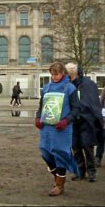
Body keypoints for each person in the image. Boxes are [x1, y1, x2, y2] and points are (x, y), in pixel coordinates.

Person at [35, 62, 79, 196]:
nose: (54, 77)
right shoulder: (46, 87)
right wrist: (38, 117)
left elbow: (77, 108)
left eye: (57, 74)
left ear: (63, 73)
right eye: (52, 74)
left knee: (60, 153)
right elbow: (41, 105)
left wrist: (67, 120)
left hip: (62, 129)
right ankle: (57, 177)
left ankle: (59, 185)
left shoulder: (70, 88)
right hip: (47, 127)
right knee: (45, 152)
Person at [66, 63, 104, 182]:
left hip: (86, 120)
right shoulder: (67, 85)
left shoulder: (88, 84)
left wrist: (83, 111)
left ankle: (91, 172)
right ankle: (80, 172)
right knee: (75, 147)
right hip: (72, 121)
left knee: (88, 147)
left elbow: (92, 102)